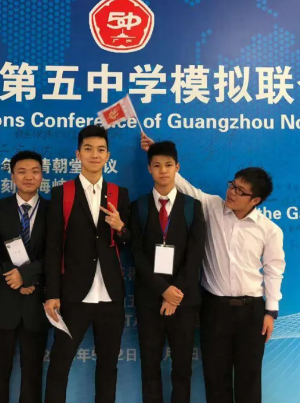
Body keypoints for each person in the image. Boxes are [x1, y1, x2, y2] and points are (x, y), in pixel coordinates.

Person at [141, 133, 285, 403]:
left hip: (252, 311)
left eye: (240, 191)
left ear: (255, 200)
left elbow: (273, 271)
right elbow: (182, 186)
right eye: (233, 185)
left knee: (249, 378)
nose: (232, 192)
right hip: (215, 308)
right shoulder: (211, 207)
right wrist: (155, 152)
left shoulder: (270, 230)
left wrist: (270, 312)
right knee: (215, 379)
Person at [44, 125, 131, 403]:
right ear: (78, 154)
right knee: (60, 365)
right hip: (73, 295)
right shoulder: (62, 193)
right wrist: (51, 293)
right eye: (88, 149)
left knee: (108, 367)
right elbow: (53, 248)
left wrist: (121, 228)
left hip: (110, 296)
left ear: (108, 156)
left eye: (101, 150)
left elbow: (130, 241)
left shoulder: (119, 193)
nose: (95, 155)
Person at [130, 141, 206, 403]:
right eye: (157, 165)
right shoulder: (138, 207)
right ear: (149, 169)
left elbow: (195, 255)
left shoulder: (192, 206)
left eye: (168, 165)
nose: (163, 170)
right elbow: (136, 254)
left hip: (183, 302)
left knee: (182, 368)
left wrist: (175, 294)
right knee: (149, 366)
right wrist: (163, 290)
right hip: (149, 300)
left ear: (177, 168)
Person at [0, 151, 50, 403]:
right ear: (12, 176)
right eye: (21, 172)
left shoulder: (53, 211)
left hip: (36, 302)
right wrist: (12, 278)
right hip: (3, 302)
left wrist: (26, 276)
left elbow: (57, 254)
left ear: (42, 175)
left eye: (35, 171)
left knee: (32, 374)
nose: (28, 177)